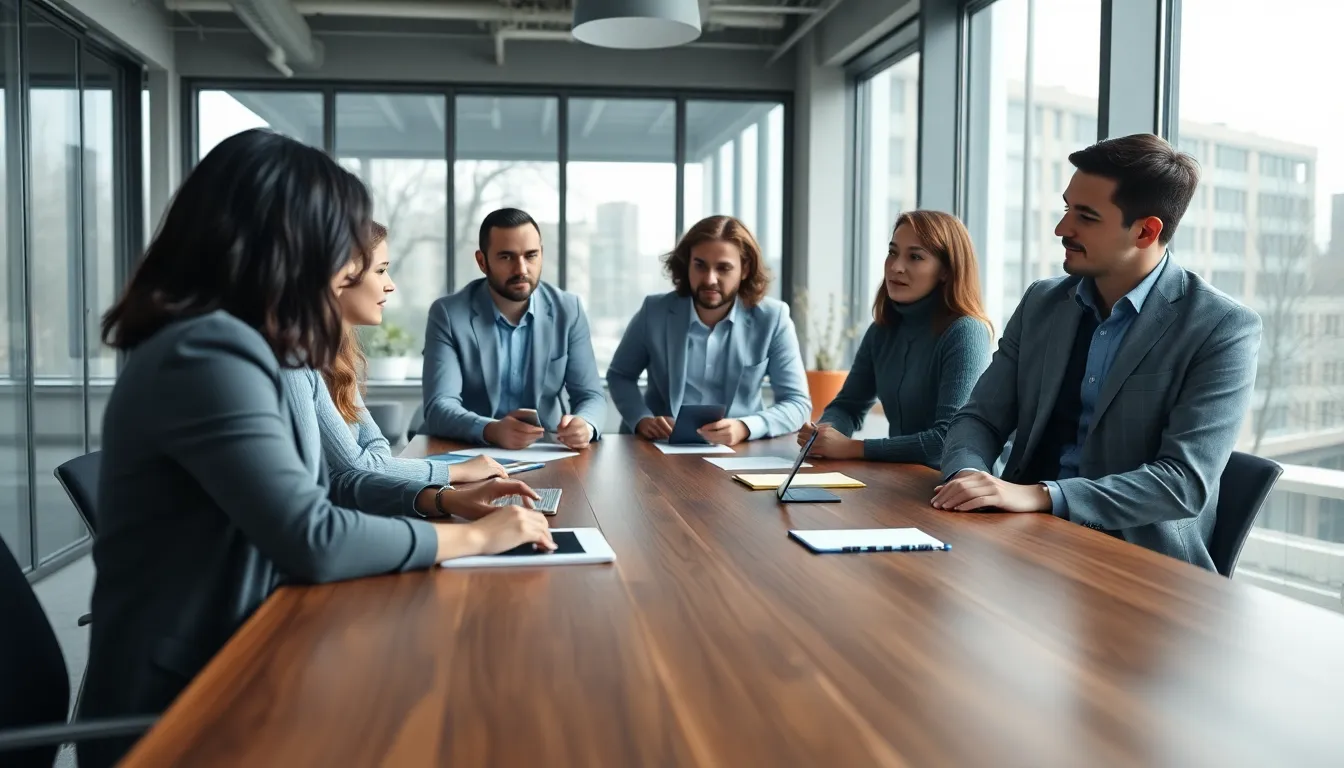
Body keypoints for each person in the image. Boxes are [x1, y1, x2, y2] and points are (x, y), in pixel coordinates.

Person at [79, 129, 553, 768]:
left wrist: (444, 500)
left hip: (252, 654)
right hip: (189, 704)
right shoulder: (207, 352)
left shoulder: (259, 348)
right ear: (289, 243)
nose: (356, 268)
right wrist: (477, 537)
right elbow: (313, 534)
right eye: (341, 243)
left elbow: (332, 486)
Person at [932, 133, 1262, 570]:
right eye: (1067, 208)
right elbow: (979, 417)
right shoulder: (1042, 303)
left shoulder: (1222, 327)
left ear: (1147, 230)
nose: (1062, 229)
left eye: (1085, 217)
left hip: (1140, 566)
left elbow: (1183, 483)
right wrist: (967, 478)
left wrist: (1042, 495)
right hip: (1021, 545)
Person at [283, 221, 506, 486]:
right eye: (380, 271)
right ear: (339, 275)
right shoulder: (296, 363)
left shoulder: (337, 355)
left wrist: (374, 465)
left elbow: (374, 446)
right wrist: (456, 472)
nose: (390, 286)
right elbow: (355, 464)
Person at [798, 210, 992, 468]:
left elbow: (947, 439)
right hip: (901, 479)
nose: (896, 266)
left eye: (915, 257)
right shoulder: (882, 330)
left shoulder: (966, 332)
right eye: (893, 252)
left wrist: (854, 448)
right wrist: (822, 434)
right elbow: (847, 406)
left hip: (952, 488)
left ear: (946, 270)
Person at [607, 215, 810, 446]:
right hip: (657, 447)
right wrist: (641, 419)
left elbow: (797, 403)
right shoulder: (654, 311)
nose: (710, 279)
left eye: (723, 268)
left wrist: (745, 427)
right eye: (700, 265)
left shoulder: (773, 318)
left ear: (745, 270)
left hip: (739, 451)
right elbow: (620, 375)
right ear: (687, 265)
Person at [420, 208, 605, 450]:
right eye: (506, 257)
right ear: (482, 261)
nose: (521, 269)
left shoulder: (569, 310)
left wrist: (586, 425)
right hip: (468, 450)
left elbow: (592, 397)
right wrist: (491, 430)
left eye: (531, 256)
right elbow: (439, 407)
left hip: (548, 449)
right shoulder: (448, 314)